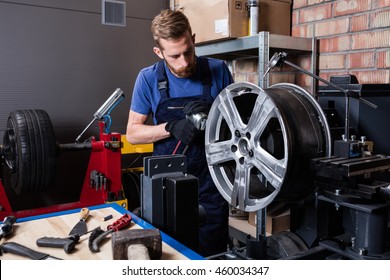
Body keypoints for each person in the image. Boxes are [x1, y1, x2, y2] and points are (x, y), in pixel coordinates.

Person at [126, 9, 234, 257]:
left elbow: (237, 125)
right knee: (171, 255)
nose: (184, 62)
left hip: (212, 183)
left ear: (193, 39)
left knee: (212, 254)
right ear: (159, 52)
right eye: (174, 56)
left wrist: (214, 115)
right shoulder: (148, 79)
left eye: (188, 52)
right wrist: (170, 127)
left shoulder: (218, 71)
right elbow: (132, 133)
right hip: (165, 186)